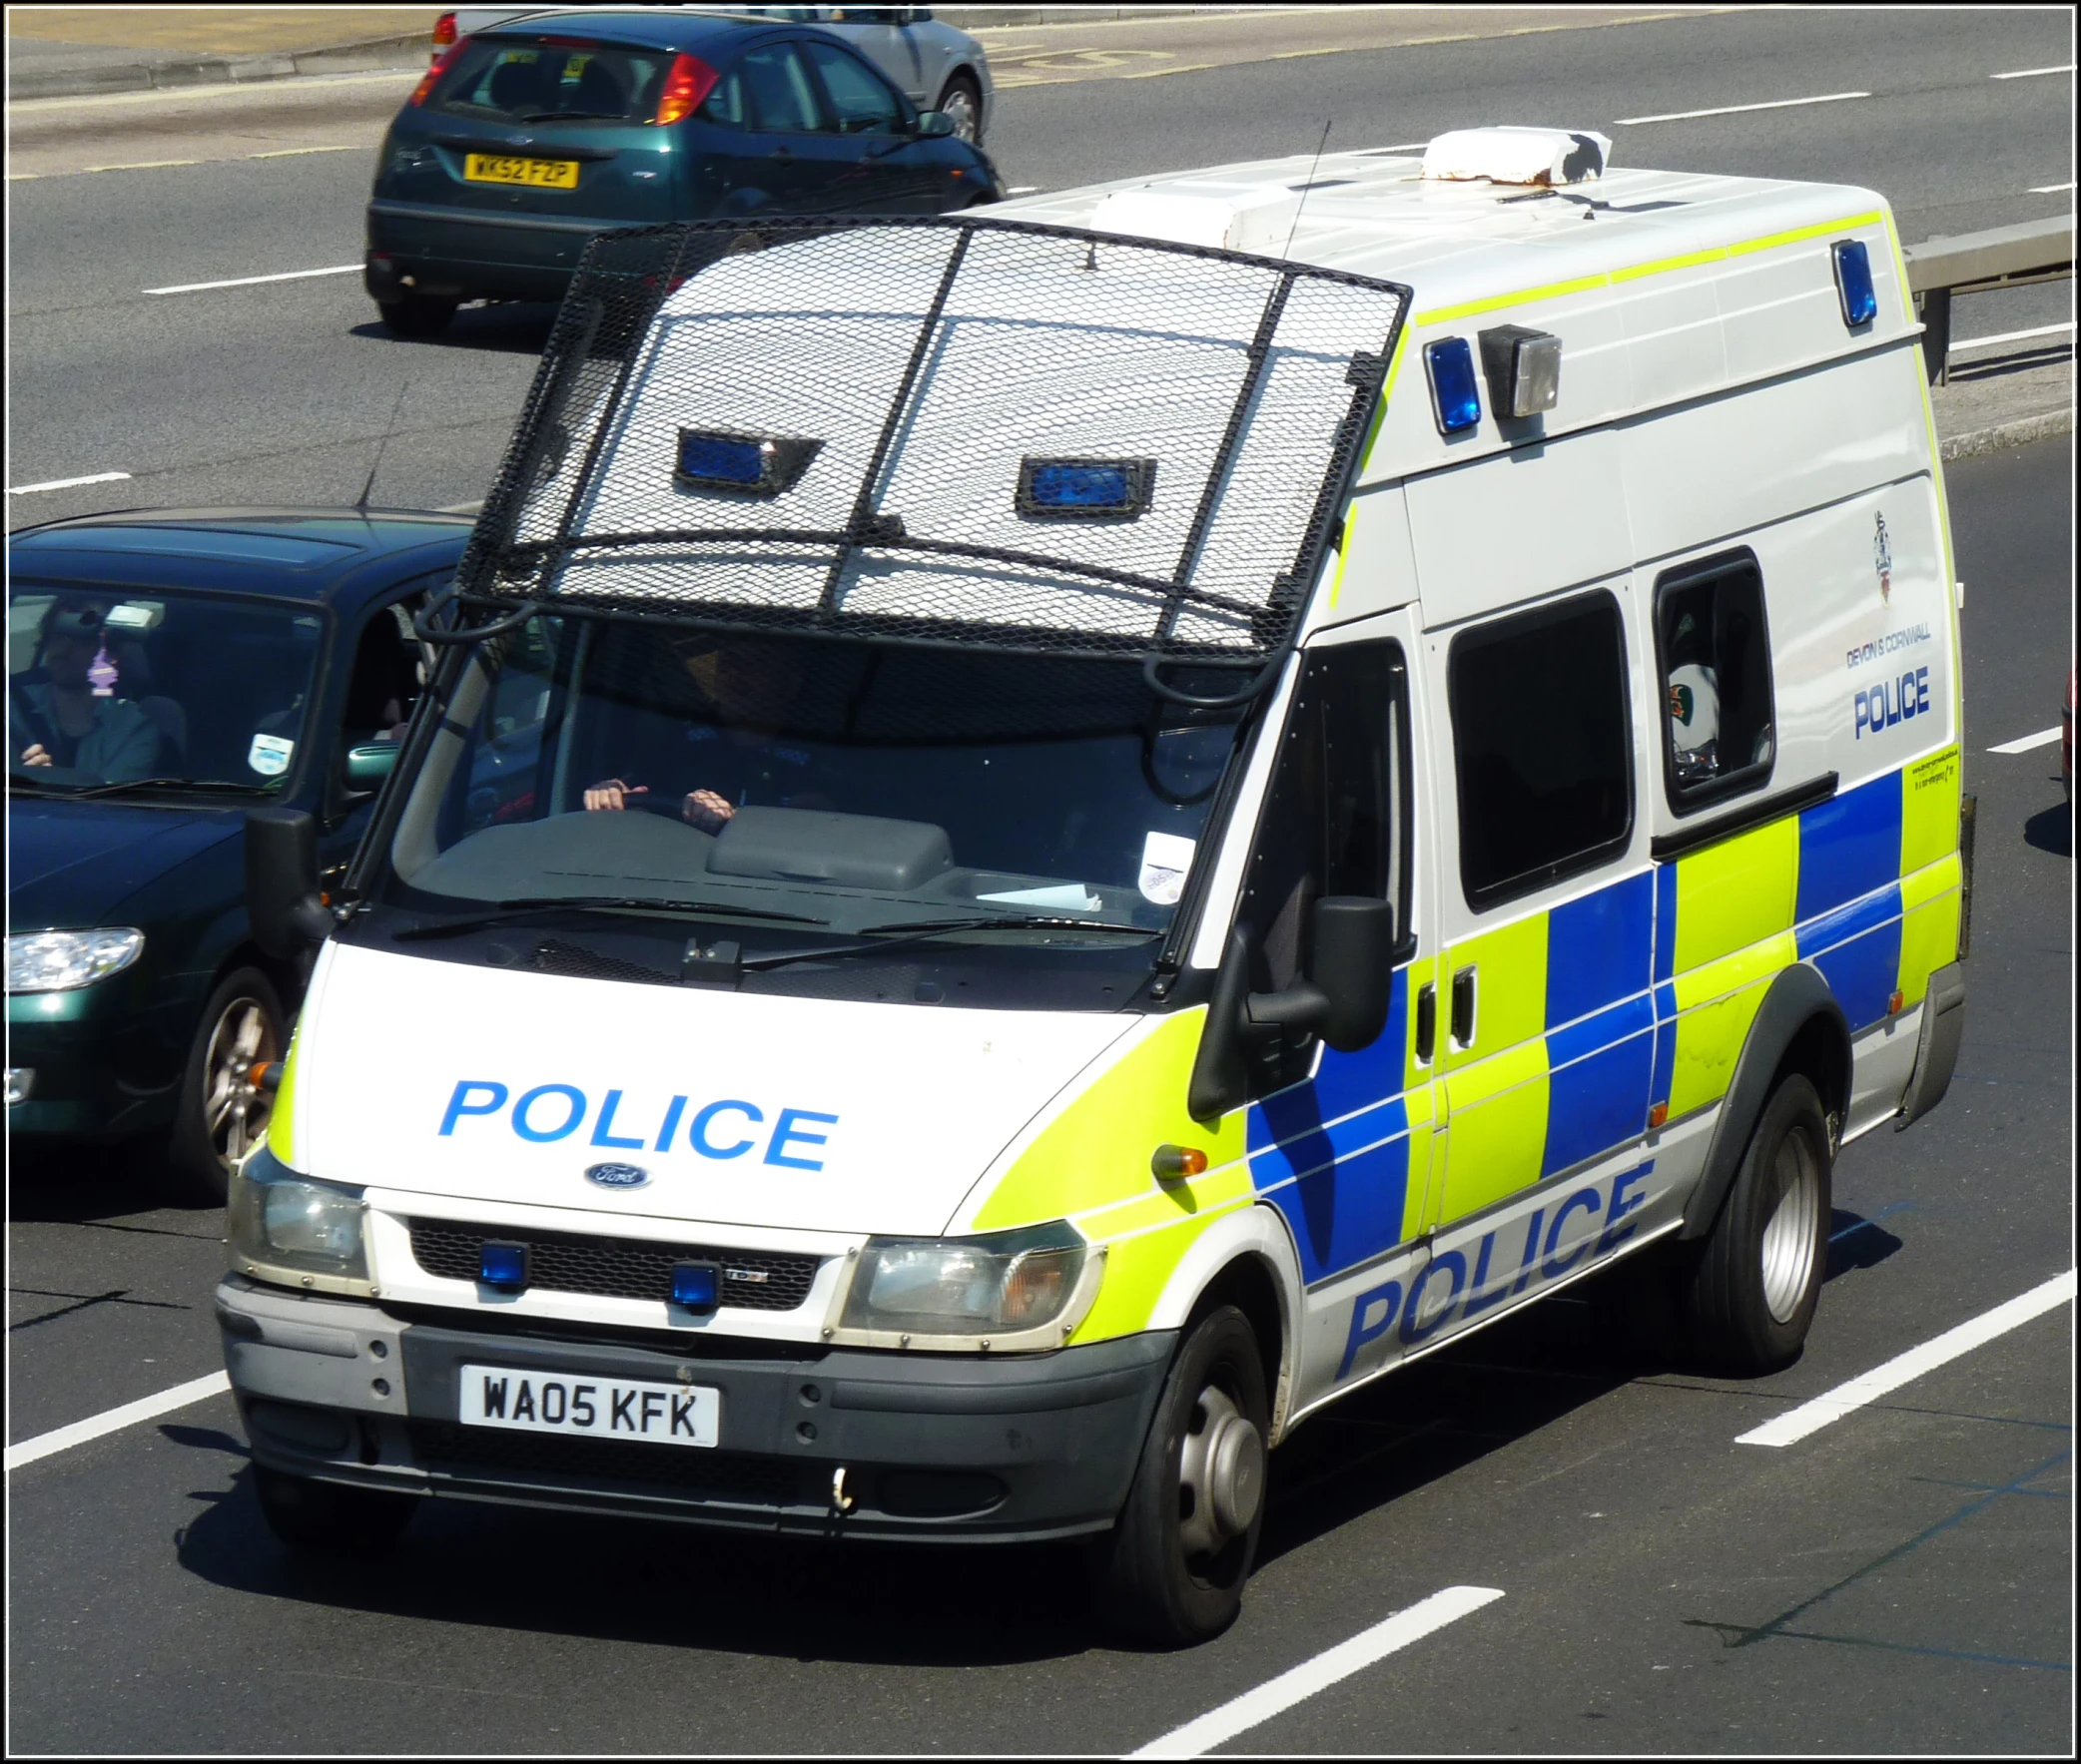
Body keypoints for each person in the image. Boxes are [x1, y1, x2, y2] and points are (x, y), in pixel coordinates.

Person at [583, 638, 832, 833]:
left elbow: (812, 828)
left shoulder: (818, 755)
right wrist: (611, 790)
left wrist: (731, 819)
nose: (736, 674)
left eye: (756, 664)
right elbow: (639, 786)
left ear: (790, 682)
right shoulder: (684, 738)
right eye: (728, 662)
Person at [12, 597, 163, 783]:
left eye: (81, 640)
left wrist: (49, 782)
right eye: (58, 637)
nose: (64, 649)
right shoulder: (12, 708)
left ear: (111, 652)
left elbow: (110, 805)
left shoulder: (132, 729)